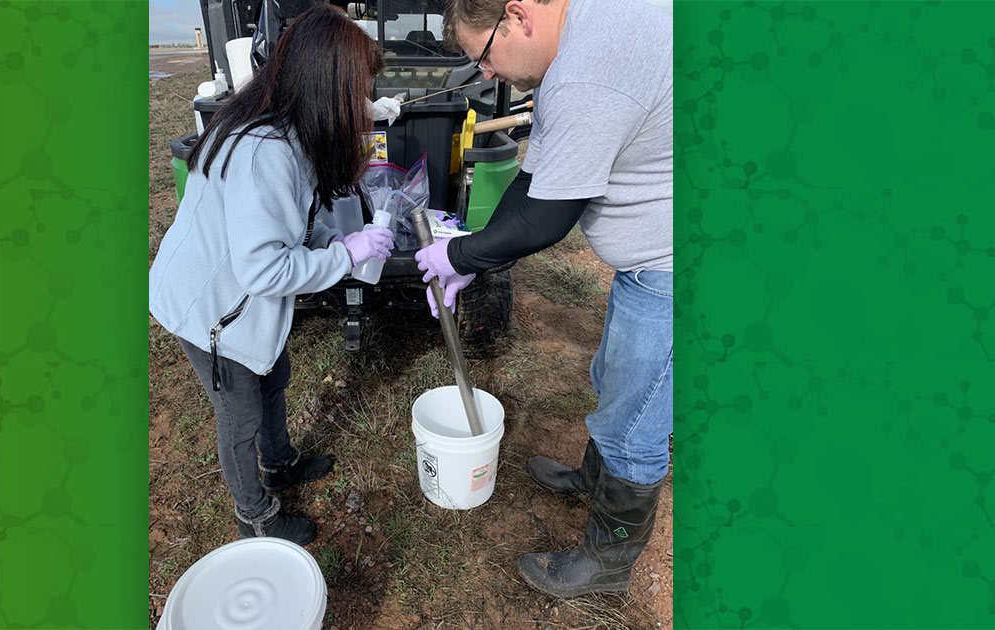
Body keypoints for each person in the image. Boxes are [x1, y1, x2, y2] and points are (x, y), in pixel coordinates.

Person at [424, 0, 672, 597]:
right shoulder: (586, 39)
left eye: (482, 55)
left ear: (517, 17)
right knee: (615, 380)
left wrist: (455, 258)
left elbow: (544, 219)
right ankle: (596, 474)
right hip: (650, 264)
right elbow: (536, 182)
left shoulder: (588, 69)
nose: (486, 76)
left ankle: (608, 563)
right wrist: (478, 250)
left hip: (675, 266)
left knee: (637, 423)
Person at [148, 6, 394, 546]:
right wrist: (346, 256)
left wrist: (332, 239)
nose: (364, 105)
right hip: (212, 308)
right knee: (238, 417)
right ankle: (254, 515)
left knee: (274, 374)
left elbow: (290, 224)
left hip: (241, 301)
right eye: (359, 91)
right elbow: (263, 268)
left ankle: (279, 461)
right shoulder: (266, 153)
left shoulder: (289, 129)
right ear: (326, 86)